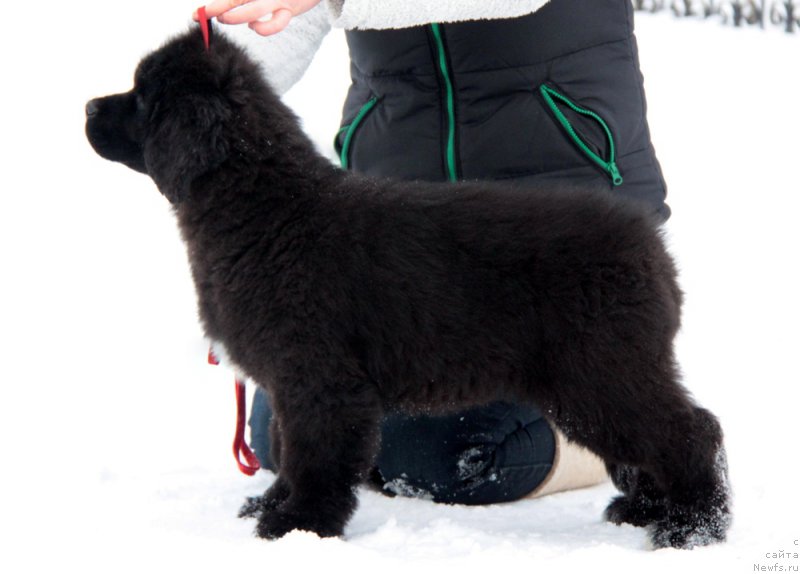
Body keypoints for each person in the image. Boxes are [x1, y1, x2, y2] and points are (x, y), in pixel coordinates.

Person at [196, 0, 669, 504]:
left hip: (556, 251)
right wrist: (207, 77)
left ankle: (601, 415)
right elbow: (285, 21)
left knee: (449, 453)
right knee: (287, 429)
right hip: (403, 255)